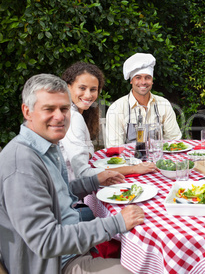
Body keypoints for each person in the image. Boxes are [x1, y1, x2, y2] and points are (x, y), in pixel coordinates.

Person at [0, 74, 144, 274]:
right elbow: (47, 242)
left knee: (143, 257)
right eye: (49, 109)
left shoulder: (47, 145)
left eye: (64, 109)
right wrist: (116, 223)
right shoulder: (21, 163)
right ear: (27, 111)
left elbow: (58, 192)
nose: (59, 116)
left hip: (73, 249)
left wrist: (93, 181)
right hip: (56, 264)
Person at [60, 61, 157, 181]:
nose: (88, 95)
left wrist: (86, 153)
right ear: (68, 87)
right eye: (82, 88)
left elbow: (89, 148)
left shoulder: (75, 112)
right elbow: (84, 173)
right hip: (68, 188)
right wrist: (134, 169)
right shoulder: (73, 117)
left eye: (93, 89)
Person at [105, 53, 182, 148]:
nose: (143, 82)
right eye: (138, 77)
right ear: (131, 80)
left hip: (159, 159)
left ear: (152, 81)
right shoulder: (117, 109)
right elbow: (115, 148)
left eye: (147, 77)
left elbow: (173, 141)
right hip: (128, 161)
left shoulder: (164, 104)